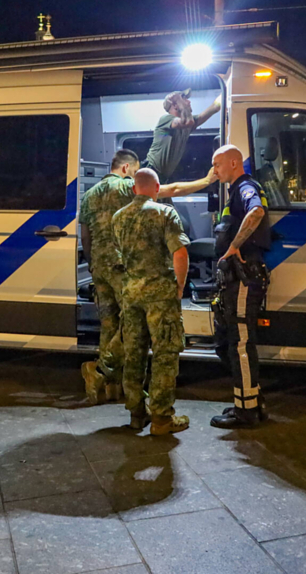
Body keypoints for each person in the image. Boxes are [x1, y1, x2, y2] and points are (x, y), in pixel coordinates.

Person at [80, 150, 216, 405]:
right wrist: (206, 181)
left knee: (109, 324)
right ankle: (102, 372)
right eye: (134, 171)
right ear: (126, 168)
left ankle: (109, 386)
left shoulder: (88, 195)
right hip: (122, 267)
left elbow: (85, 234)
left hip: (99, 266)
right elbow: (172, 189)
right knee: (130, 325)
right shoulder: (126, 187)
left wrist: (91, 262)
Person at [111, 168, 191, 434]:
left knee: (134, 353)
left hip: (131, 294)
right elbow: (179, 253)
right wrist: (179, 286)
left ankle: (136, 413)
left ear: (134, 189)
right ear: (157, 188)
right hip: (160, 296)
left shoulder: (118, 218)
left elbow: (122, 255)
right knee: (165, 355)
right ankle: (161, 419)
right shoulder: (165, 213)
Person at [208, 145, 272, 429]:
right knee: (235, 342)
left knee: (241, 343)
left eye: (218, 164)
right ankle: (251, 402)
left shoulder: (245, 187)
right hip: (238, 279)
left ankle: (245, 412)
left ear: (234, 163)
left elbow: (256, 211)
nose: (215, 170)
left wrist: (234, 247)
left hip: (244, 277)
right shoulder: (235, 191)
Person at [142, 89, 221, 183]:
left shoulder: (187, 125)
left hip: (163, 177)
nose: (189, 101)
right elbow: (188, 122)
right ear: (175, 105)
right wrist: (180, 102)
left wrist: (226, 88)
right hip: (150, 173)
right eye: (184, 99)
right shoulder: (166, 119)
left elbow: (214, 108)